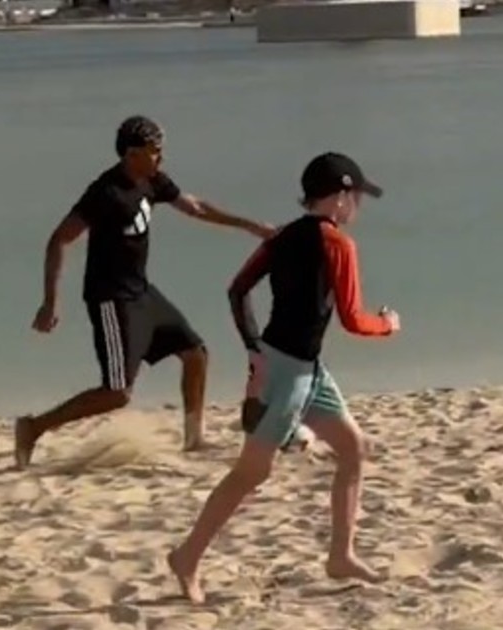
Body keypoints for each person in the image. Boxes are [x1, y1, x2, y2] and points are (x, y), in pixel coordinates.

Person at [167, 151, 401, 604]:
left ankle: (341, 556)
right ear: (340, 197)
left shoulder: (282, 237)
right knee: (251, 473)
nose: (358, 206)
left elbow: (237, 291)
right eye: (357, 197)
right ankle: (187, 557)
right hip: (287, 376)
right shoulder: (338, 245)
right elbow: (353, 320)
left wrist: (254, 349)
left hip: (302, 368)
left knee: (353, 448)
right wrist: (388, 325)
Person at [15, 115, 275, 468]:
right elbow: (59, 240)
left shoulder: (153, 180)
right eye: (155, 151)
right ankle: (33, 428)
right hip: (111, 299)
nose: (161, 157)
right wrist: (50, 302)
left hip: (142, 292)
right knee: (117, 393)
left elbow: (195, 207)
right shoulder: (105, 192)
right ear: (132, 154)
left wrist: (250, 226)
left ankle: (194, 440)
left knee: (196, 354)